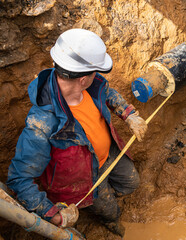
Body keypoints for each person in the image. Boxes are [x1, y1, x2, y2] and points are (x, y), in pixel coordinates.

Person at [6, 28, 148, 237]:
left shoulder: (89, 86)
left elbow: (107, 92)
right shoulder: (42, 124)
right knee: (110, 211)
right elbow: (19, 179)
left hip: (108, 156)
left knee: (131, 183)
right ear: (82, 79)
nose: (96, 76)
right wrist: (53, 214)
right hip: (82, 181)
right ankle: (106, 218)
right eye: (94, 72)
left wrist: (129, 114)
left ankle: (107, 194)